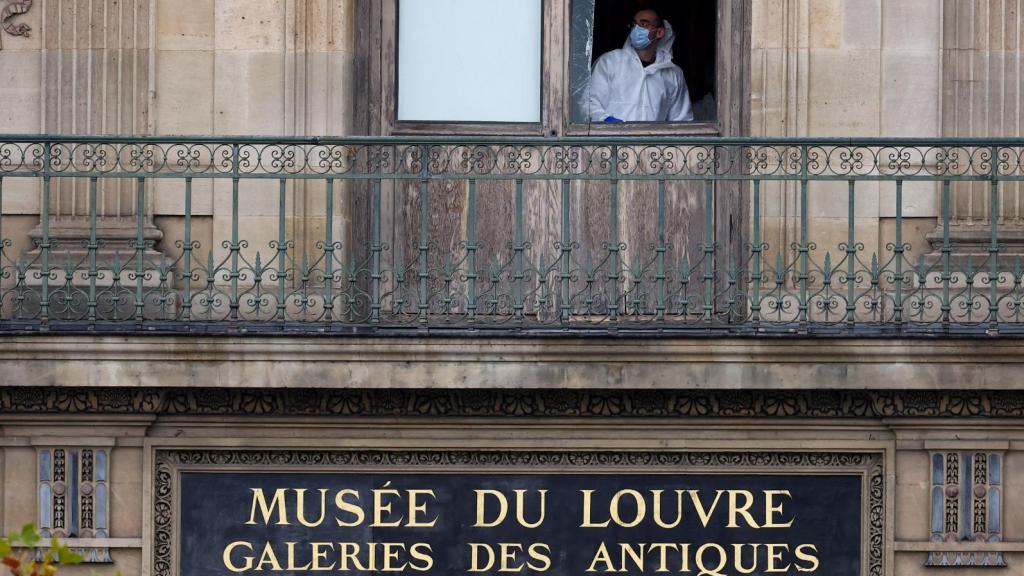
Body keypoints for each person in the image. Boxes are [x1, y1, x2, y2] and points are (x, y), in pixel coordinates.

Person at [588, 8, 694, 123]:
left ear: (659, 32)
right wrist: (606, 120)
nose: (636, 29)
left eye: (643, 24)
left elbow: (681, 120)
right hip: (613, 135)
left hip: (652, 135)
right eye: (634, 24)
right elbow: (590, 103)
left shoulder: (673, 73)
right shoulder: (610, 62)